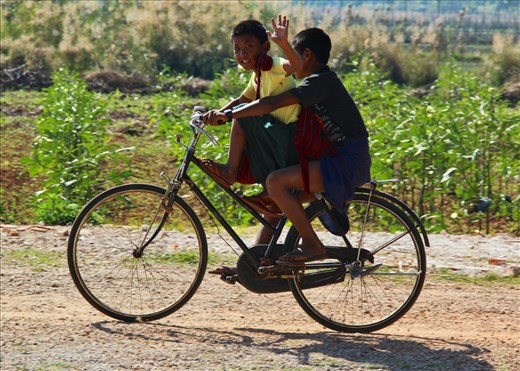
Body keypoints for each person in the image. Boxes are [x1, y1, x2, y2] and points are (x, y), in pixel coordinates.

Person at [204, 19, 371, 265]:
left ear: (306, 54)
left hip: (346, 161)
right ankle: (254, 264)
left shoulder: (321, 82)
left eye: (293, 52)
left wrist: (229, 115)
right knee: (275, 202)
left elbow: (270, 104)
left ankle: (312, 244)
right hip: (330, 157)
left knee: (276, 182)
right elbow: (251, 98)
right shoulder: (312, 81)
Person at [200, 18, 301, 225]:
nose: (242, 54)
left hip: (289, 141)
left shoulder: (274, 65)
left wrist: (283, 44)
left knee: (243, 113)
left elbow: (299, 67)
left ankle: (230, 171)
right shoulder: (257, 76)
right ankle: (264, 255)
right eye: (237, 49)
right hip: (275, 139)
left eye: (248, 46)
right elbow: (241, 99)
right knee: (273, 213)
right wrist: (216, 113)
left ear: (264, 47)